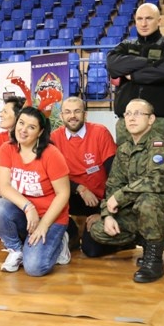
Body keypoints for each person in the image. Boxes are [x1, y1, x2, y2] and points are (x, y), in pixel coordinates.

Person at [84, 99, 164, 283]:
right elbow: (113, 185)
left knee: (148, 201)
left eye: (138, 114)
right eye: (128, 114)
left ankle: (154, 261)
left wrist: (120, 197)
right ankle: (148, 242)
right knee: (99, 230)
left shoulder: (159, 146)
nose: (132, 118)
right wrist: (107, 214)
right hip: (140, 211)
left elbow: (157, 181)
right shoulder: (124, 149)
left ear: (151, 119)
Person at [0, 106, 71, 277]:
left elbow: (63, 194)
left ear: (40, 132)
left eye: (31, 127)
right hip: (25, 213)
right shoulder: (7, 148)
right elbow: (4, 187)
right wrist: (28, 207)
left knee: (34, 268)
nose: (23, 130)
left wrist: (44, 225)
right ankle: (16, 250)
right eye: (21, 123)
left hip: (51, 217)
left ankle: (60, 243)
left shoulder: (51, 154)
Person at [106, 2, 164, 147]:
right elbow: (113, 64)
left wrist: (133, 75)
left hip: (160, 122)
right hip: (127, 123)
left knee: (162, 168)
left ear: (159, 21)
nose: (143, 23)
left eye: (148, 18)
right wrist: (151, 62)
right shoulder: (126, 46)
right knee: (125, 168)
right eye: (139, 19)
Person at [49, 96, 116, 248]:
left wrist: (104, 213)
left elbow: (114, 175)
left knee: (91, 249)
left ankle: (124, 241)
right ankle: (71, 234)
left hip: (99, 199)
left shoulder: (100, 133)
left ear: (85, 115)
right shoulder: (54, 138)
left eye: (77, 111)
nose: (72, 116)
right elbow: (50, 176)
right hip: (70, 196)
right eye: (67, 112)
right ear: (61, 116)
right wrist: (80, 188)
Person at [0, 95, 26, 193]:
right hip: (7, 193)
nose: (0, 115)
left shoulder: (32, 139)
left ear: (19, 116)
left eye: (5, 112)